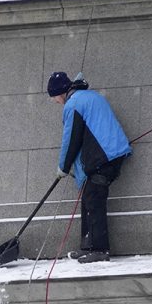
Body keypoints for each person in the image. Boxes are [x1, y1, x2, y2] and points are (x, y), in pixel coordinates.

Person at [48, 71, 132, 263]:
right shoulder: (89, 97)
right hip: (108, 154)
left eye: (53, 97)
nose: (54, 101)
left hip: (104, 156)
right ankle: (88, 245)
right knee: (88, 197)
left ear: (60, 92)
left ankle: (100, 249)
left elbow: (71, 140)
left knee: (94, 199)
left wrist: (63, 166)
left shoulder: (74, 104)